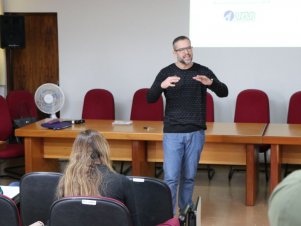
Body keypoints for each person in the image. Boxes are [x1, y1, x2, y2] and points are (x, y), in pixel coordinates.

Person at [147, 35, 228, 213]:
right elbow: (150, 98)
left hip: (196, 132)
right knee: (171, 178)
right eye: (182, 49)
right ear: (174, 52)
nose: (187, 52)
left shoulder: (203, 71)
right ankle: (168, 215)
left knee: (189, 177)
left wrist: (212, 83)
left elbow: (224, 92)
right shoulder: (166, 72)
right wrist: (162, 85)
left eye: (189, 48)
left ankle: (185, 213)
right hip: (173, 133)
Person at [56, 129, 137, 225]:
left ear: (76, 152)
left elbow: (56, 219)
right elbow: (134, 222)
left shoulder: (65, 182)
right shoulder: (122, 182)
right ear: (104, 150)